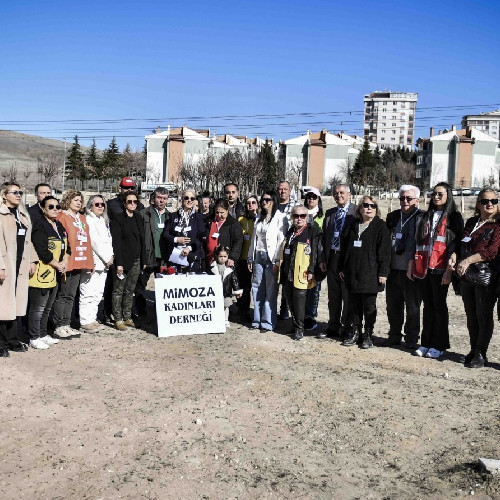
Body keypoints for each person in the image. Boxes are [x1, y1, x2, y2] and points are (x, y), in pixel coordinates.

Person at [412, 182, 464, 359]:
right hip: (424, 267)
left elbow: (457, 244)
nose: (436, 197)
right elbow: (418, 242)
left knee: (439, 307)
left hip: (441, 268)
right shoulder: (426, 215)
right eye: (434, 194)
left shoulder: (455, 217)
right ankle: (425, 342)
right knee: (427, 306)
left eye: (440, 194)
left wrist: (450, 270)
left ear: (448, 195)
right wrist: (413, 264)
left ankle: (439, 344)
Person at [454, 188, 500, 368]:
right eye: (485, 201)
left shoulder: (498, 224)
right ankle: (473, 349)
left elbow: (491, 251)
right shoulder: (472, 221)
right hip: (467, 276)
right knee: (471, 315)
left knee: (483, 315)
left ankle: (481, 353)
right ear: (479, 203)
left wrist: (468, 260)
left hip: (485, 276)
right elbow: (463, 242)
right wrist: (455, 257)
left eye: (494, 201)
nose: (490, 204)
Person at [339, 196, 391, 349]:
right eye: (366, 205)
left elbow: (385, 252)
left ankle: (368, 334)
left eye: (372, 206)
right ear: (360, 208)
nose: (369, 208)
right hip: (353, 272)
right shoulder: (353, 225)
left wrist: (383, 273)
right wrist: (341, 267)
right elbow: (345, 248)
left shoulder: (381, 227)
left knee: (369, 307)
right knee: (354, 306)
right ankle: (356, 333)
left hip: (370, 273)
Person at [383, 185, 422, 350]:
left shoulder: (422, 217)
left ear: (417, 201)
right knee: (393, 305)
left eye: (409, 198)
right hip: (393, 269)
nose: (405, 201)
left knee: (412, 306)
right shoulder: (392, 216)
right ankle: (394, 336)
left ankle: (412, 338)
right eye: (402, 198)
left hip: (412, 270)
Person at [0, 182, 37, 356]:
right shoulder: (1, 214)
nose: (18, 195)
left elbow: (29, 241)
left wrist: (33, 260)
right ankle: (1, 343)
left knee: (15, 303)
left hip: (20, 264)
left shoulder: (22, 215)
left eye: (20, 192)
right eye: (14, 192)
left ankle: (13, 339)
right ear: (4, 195)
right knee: (3, 304)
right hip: (6, 265)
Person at [28, 196, 69, 349]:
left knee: (47, 307)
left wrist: (64, 263)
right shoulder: (40, 226)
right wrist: (57, 265)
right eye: (51, 207)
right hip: (42, 273)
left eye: (57, 207)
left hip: (56, 272)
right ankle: (34, 336)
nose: (55, 210)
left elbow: (67, 247)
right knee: (37, 307)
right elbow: (42, 251)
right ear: (43, 209)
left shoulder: (59, 226)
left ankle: (43, 334)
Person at [52, 190, 94, 338]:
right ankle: (58, 326)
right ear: (68, 200)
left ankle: (66, 323)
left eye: (80, 200)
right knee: (62, 294)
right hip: (66, 260)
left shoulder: (81, 218)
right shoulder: (62, 216)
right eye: (75, 200)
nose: (78, 203)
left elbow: (87, 240)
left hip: (79, 260)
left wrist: (90, 261)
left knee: (71, 295)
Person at [318, 183, 357, 339]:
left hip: (347, 259)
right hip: (332, 258)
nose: (338, 195)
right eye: (335, 193)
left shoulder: (356, 212)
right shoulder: (330, 213)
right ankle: (333, 325)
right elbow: (323, 238)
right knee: (333, 296)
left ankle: (347, 328)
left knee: (347, 296)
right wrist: (322, 258)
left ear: (348, 193)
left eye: (341, 192)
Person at [278, 205, 320, 341]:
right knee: (291, 302)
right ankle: (295, 325)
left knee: (300, 303)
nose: (299, 219)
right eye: (296, 216)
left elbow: (315, 253)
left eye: (302, 216)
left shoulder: (312, 232)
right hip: (288, 273)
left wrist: (312, 270)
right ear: (292, 218)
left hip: (302, 274)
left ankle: (299, 329)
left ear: (307, 218)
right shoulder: (291, 232)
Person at [247, 190, 284, 331]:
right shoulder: (259, 217)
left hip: (271, 257)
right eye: (262, 200)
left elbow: (281, 241)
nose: (264, 202)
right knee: (256, 288)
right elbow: (253, 240)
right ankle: (256, 320)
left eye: (267, 200)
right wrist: (250, 257)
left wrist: (276, 261)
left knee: (270, 290)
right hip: (258, 255)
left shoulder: (280, 217)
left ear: (274, 201)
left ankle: (267, 322)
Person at [110, 190, 146, 331]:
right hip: (123, 260)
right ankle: (118, 319)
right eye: (129, 201)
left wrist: (143, 259)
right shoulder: (118, 219)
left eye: (135, 201)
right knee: (118, 290)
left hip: (136, 260)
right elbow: (116, 243)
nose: (132, 204)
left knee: (130, 290)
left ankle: (127, 317)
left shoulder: (138, 217)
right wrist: (119, 263)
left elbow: (142, 240)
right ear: (124, 203)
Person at [79, 195, 113, 332]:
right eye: (97, 204)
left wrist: (111, 256)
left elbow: (108, 240)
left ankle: (92, 318)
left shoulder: (103, 220)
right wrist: (106, 257)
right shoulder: (88, 220)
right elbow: (94, 242)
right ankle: (85, 321)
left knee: (98, 293)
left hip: (105, 263)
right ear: (90, 206)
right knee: (88, 292)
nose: (100, 206)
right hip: (94, 261)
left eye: (102, 204)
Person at [136, 187, 170, 318]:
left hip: (163, 256)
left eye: (164, 198)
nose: (161, 201)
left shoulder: (170, 216)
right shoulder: (144, 213)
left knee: (162, 284)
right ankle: (141, 311)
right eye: (159, 198)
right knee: (141, 285)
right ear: (153, 198)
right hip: (148, 255)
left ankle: (161, 311)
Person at [162, 189, 206, 273]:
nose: (189, 200)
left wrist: (189, 248)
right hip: (175, 255)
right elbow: (165, 233)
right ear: (182, 199)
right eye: (186, 198)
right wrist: (176, 239)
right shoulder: (173, 216)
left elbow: (200, 237)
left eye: (192, 198)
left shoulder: (199, 217)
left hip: (191, 255)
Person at [277, 180, 300, 320]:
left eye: (285, 189)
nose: (283, 191)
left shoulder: (295, 207)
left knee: (286, 279)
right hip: (274, 246)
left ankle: (285, 308)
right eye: (280, 189)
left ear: (290, 191)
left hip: (289, 247)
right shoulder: (273, 205)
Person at [303, 187, 325, 331]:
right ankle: (300, 314)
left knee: (314, 287)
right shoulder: (301, 213)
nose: (311, 199)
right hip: (302, 254)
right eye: (309, 196)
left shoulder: (322, 216)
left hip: (317, 255)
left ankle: (311, 316)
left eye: (314, 197)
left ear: (318, 199)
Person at [208, 245, 242, 329]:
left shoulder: (230, 269)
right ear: (216, 256)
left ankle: (226, 320)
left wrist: (237, 291)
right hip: (215, 291)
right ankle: (217, 320)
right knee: (216, 306)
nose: (222, 258)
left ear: (227, 256)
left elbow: (234, 280)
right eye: (220, 256)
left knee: (225, 306)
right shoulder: (212, 268)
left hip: (226, 291)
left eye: (225, 256)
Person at [237, 194, 259, 321]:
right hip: (242, 258)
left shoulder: (260, 220)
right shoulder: (240, 220)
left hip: (255, 258)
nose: (250, 205)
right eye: (248, 203)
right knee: (244, 286)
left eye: (253, 202)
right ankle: (244, 310)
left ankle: (257, 311)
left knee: (256, 286)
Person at [206, 198, 243, 267]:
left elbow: (238, 241)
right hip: (210, 259)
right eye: (217, 212)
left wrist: (232, 257)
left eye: (222, 213)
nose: (219, 215)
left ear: (227, 210)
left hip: (225, 261)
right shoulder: (208, 221)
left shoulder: (233, 223)